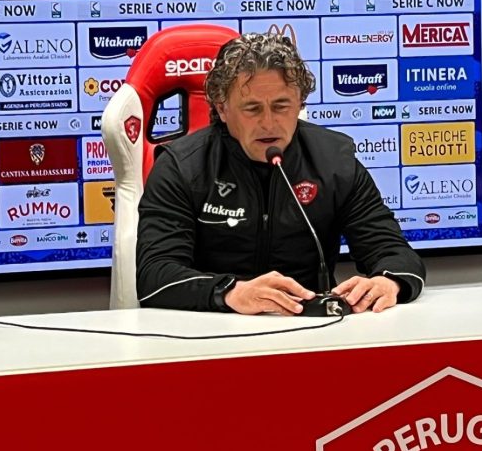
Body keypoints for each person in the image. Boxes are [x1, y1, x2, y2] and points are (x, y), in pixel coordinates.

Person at [135, 32, 425, 315]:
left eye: (281, 106)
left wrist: (389, 282)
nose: (269, 123)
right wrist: (230, 292)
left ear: (300, 103)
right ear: (222, 109)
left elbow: (394, 252)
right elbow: (155, 276)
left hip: (311, 326)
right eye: (252, 109)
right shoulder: (182, 166)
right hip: (214, 325)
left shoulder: (334, 162)